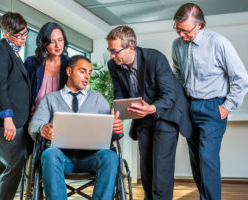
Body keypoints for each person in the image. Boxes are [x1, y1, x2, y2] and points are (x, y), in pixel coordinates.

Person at [106, 26, 193, 200]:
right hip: (143, 116)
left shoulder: (155, 58)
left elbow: (170, 94)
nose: (111, 55)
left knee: (161, 166)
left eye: (114, 51)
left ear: (130, 48)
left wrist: (151, 108)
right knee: (145, 166)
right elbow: (120, 94)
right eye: (109, 50)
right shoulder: (114, 65)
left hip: (166, 113)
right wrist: (116, 113)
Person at [172, 3, 248, 200]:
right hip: (190, 106)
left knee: (208, 158)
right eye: (177, 29)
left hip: (213, 107)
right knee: (196, 159)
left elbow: (241, 78)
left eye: (185, 30)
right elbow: (178, 72)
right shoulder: (177, 45)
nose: (181, 35)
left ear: (199, 25)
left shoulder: (218, 43)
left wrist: (227, 106)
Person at [29, 55, 124, 200]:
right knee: (50, 154)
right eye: (82, 71)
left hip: (91, 158)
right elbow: (34, 126)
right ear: (68, 71)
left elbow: (111, 133)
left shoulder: (98, 99)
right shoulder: (50, 99)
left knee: (110, 156)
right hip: (61, 157)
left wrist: (116, 129)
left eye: (90, 73)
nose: (87, 76)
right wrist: (43, 128)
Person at [0, 12, 30, 200]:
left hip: (10, 120)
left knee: (0, 165)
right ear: (5, 33)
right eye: (18, 35)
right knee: (14, 164)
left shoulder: (14, 52)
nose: (23, 38)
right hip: (5, 120)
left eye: (25, 33)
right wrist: (7, 118)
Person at [24, 22, 70, 115]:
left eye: (60, 40)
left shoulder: (70, 64)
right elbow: (21, 92)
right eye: (52, 41)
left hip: (58, 120)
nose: (57, 45)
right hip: (32, 118)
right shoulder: (32, 63)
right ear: (44, 43)